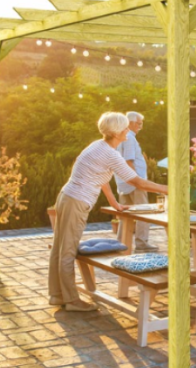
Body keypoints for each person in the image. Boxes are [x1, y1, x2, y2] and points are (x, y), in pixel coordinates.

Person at [49, 112, 168, 312]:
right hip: (76, 201)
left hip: (67, 196)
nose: (128, 130)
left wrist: (115, 203)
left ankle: (57, 295)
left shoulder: (98, 146)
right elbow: (136, 181)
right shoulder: (110, 153)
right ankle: (70, 300)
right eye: (125, 127)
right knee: (67, 250)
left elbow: (102, 178)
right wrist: (168, 188)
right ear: (117, 132)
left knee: (60, 248)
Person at [115, 111, 156, 252]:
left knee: (125, 216)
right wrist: (138, 181)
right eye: (139, 123)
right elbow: (129, 161)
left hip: (122, 181)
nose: (140, 126)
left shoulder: (120, 138)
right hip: (134, 182)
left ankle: (120, 244)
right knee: (143, 213)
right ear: (131, 123)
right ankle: (142, 243)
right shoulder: (130, 138)